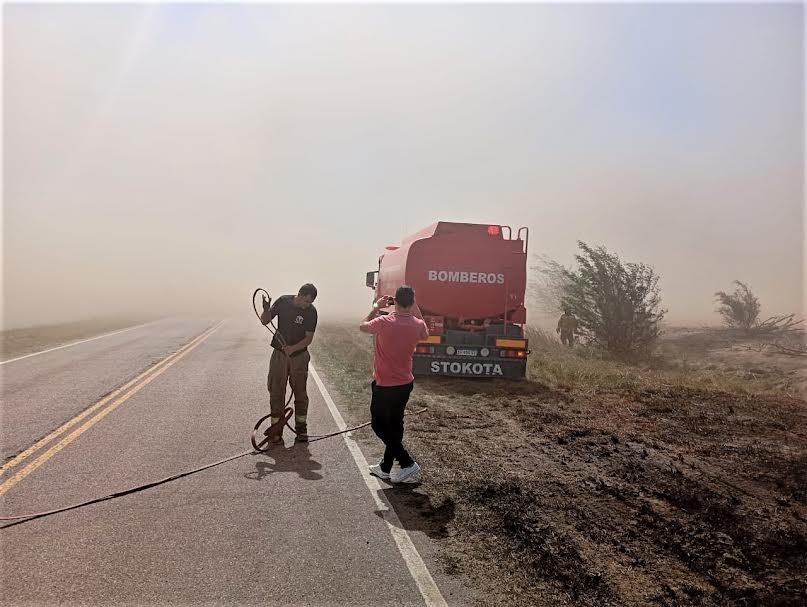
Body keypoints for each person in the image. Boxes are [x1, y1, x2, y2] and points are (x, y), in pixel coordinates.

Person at [359, 285, 429, 483]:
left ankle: (407, 462)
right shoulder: (417, 325)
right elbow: (425, 333)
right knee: (396, 425)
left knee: (379, 425)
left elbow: (362, 325)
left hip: (385, 383)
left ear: (395, 302)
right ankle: (385, 467)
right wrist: (415, 308)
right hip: (405, 383)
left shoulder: (384, 321)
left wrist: (376, 306)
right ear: (412, 302)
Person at [260, 283, 318, 443]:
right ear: (298, 295)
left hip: (299, 357)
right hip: (279, 355)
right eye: (305, 301)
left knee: (300, 393)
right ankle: (276, 432)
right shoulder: (283, 302)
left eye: (310, 302)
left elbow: (308, 338)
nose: (307, 305)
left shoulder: (311, 312)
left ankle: (301, 430)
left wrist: (293, 349)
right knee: (276, 391)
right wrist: (266, 309)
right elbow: (265, 321)